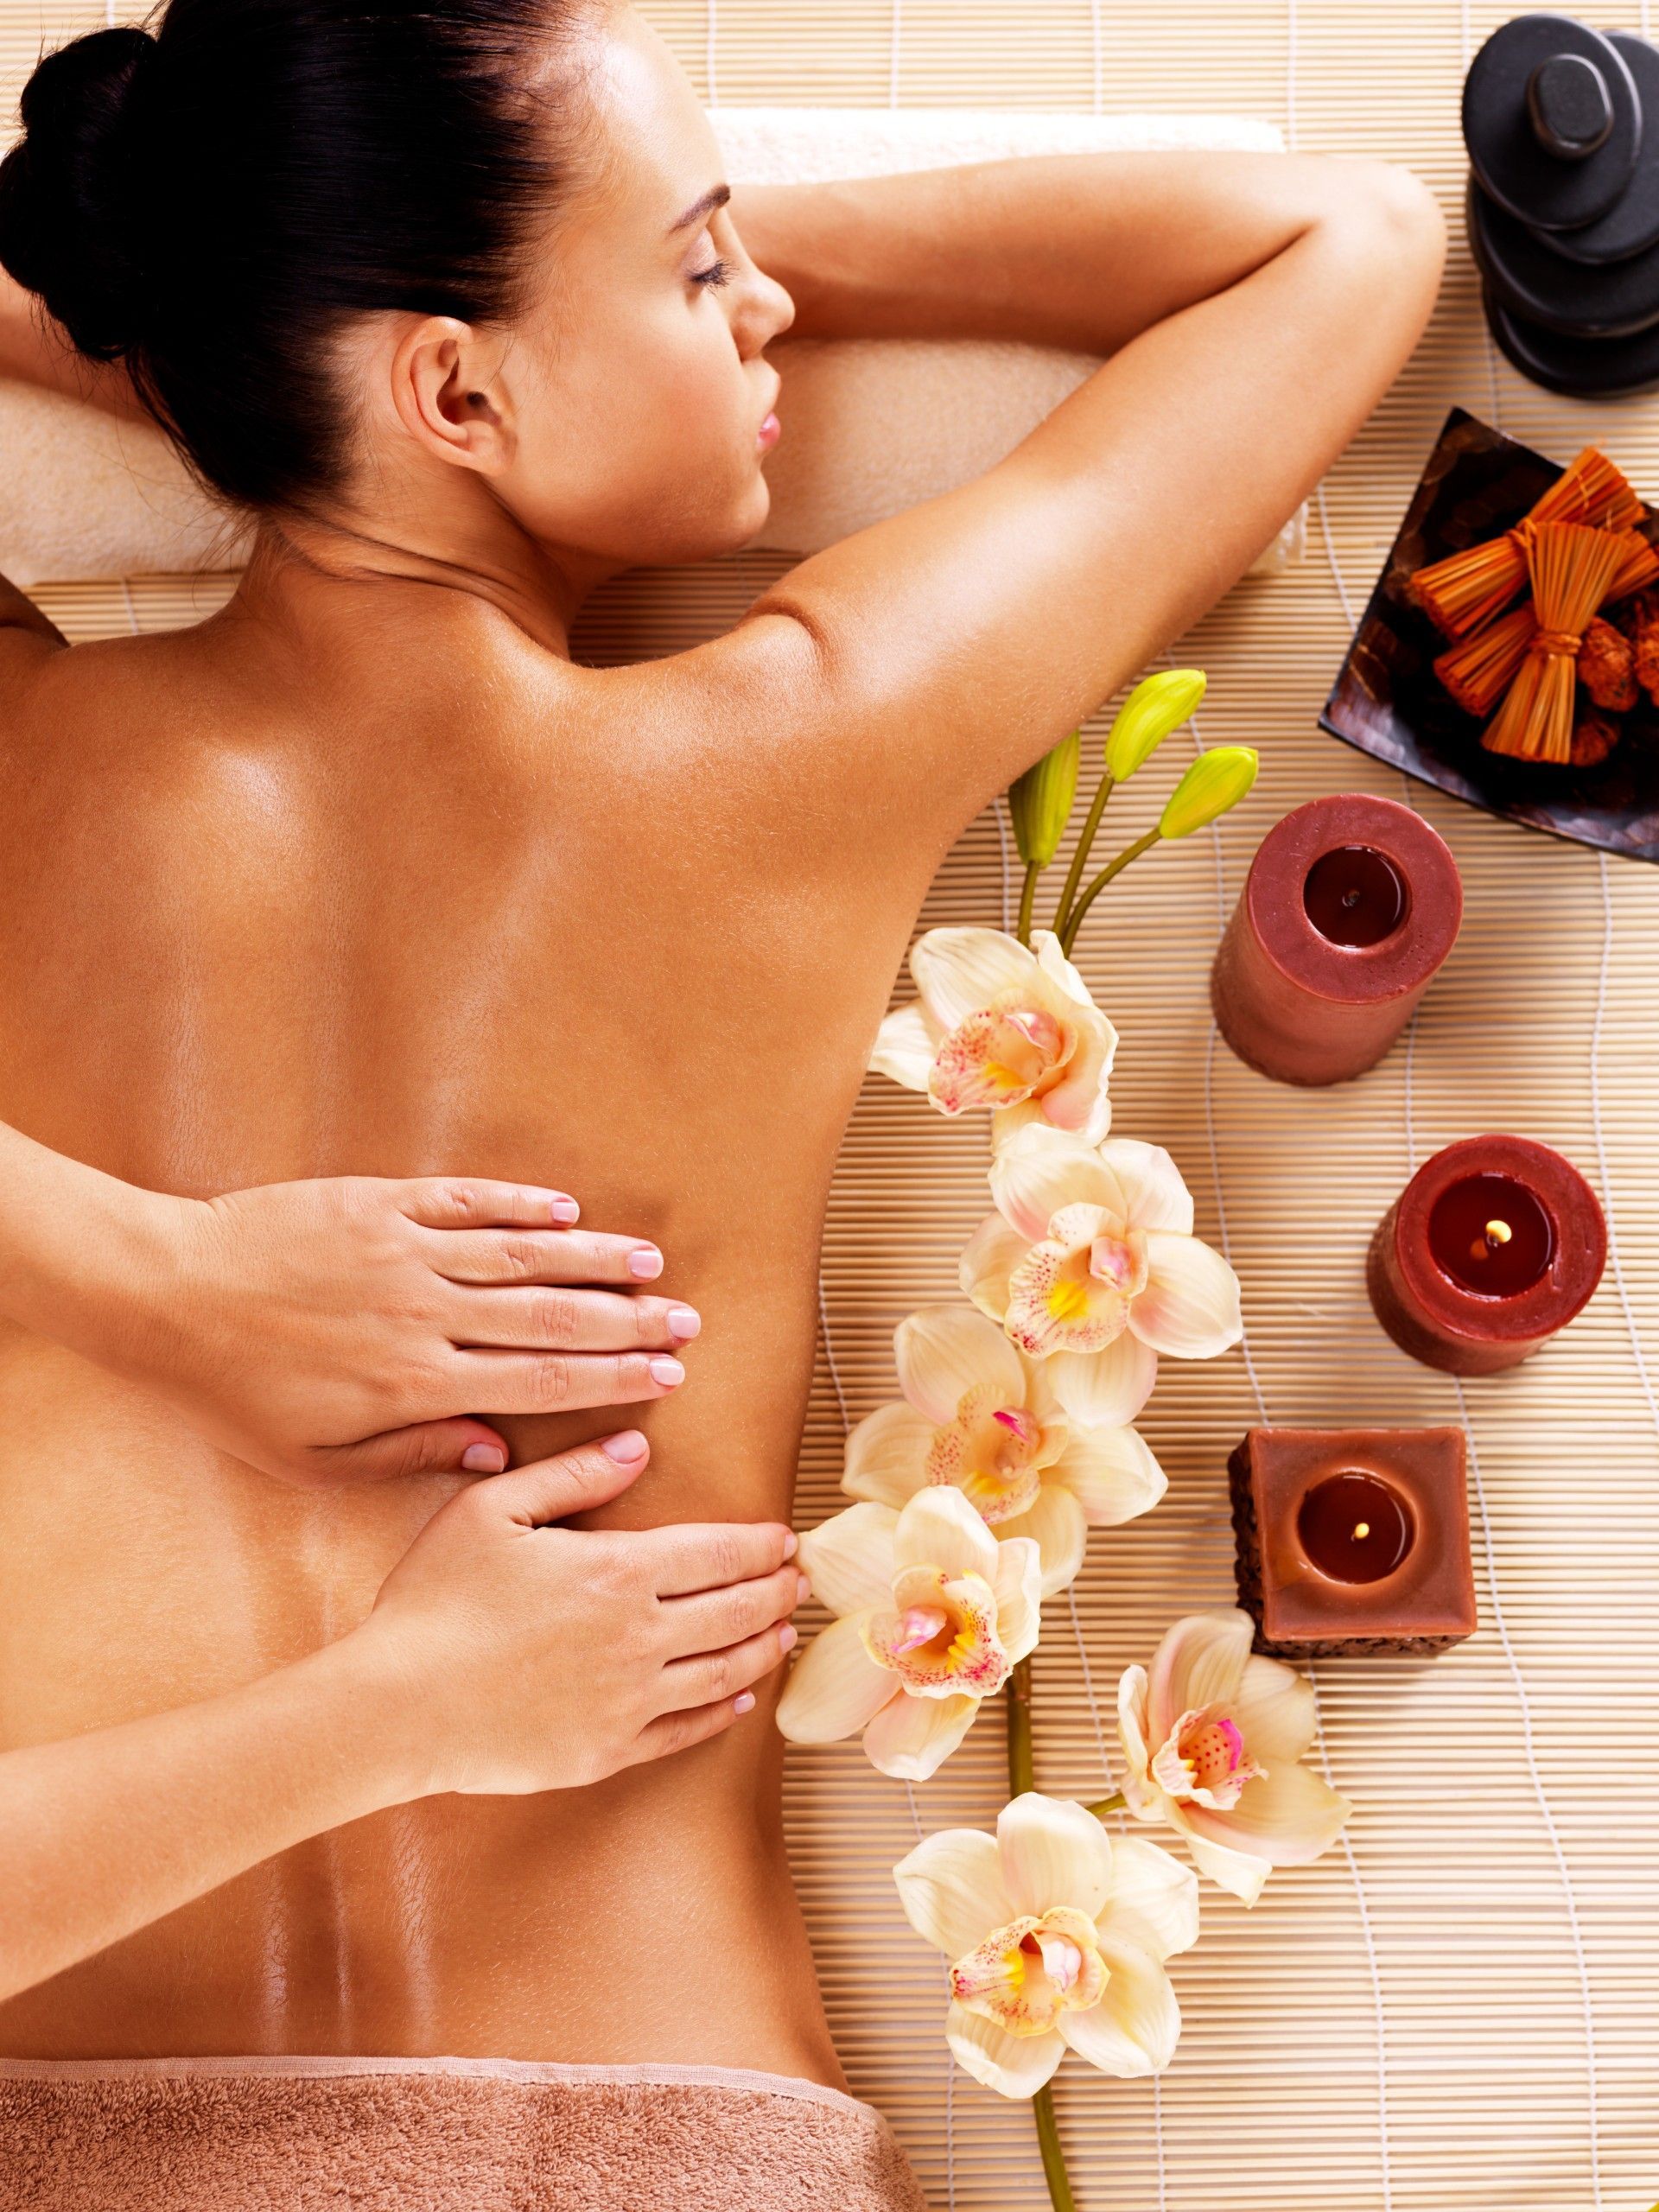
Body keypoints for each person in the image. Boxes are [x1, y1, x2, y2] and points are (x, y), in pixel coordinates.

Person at [0, 1, 1445, 2202]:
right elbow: (1332, 243)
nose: (765, 299)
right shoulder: (790, 759)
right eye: (701, 265)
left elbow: (1341, 233)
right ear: (457, 390)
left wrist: (255, 331)